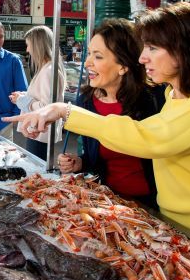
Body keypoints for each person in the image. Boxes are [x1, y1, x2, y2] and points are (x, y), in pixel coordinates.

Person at [4, 2, 190, 260]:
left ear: (183, 49)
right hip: (172, 223)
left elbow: (150, 138)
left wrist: (65, 111)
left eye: (152, 48)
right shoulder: (173, 94)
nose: (143, 57)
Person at [56, 19, 163, 209]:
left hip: (153, 206)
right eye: (89, 54)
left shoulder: (154, 99)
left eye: (97, 56)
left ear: (123, 66)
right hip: (107, 202)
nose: (87, 62)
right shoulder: (86, 101)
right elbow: (94, 158)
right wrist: (79, 162)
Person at [9, 26, 65, 160]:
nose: (27, 50)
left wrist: (22, 100)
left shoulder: (48, 70)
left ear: (38, 45)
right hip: (38, 131)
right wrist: (24, 96)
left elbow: (47, 108)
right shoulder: (47, 68)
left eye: (28, 45)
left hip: (40, 132)